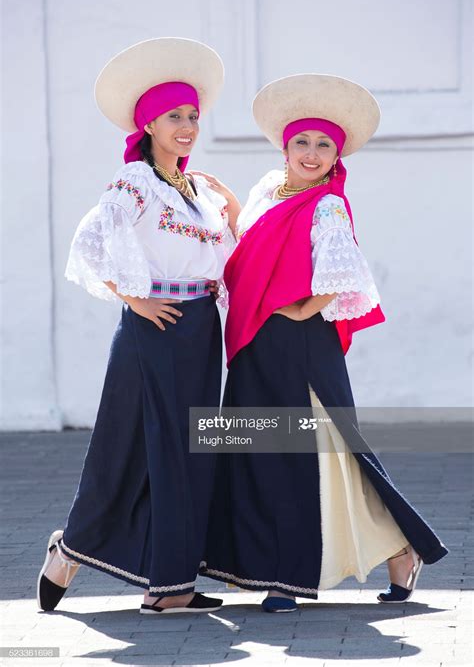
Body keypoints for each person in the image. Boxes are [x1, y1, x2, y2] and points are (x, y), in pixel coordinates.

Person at [200, 73, 448, 612]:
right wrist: (231, 206)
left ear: (337, 154)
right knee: (260, 453)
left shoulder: (329, 205)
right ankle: (400, 551)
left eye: (324, 146)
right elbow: (256, 250)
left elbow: (342, 276)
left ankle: (289, 578)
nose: (311, 155)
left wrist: (297, 312)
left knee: (307, 455)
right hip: (253, 342)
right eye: (302, 143)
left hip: (299, 346)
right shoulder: (269, 189)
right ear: (286, 147)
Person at [37, 37, 240, 615]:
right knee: (133, 449)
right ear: (148, 122)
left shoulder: (198, 190)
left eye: (193, 116)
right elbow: (91, 240)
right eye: (174, 115)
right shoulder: (135, 183)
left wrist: (229, 210)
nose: (186, 126)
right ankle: (108, 562)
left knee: (191, 452)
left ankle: (160, 578)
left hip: (201, 329)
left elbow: (226, 261)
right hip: (156, 330)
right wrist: (134, 298)